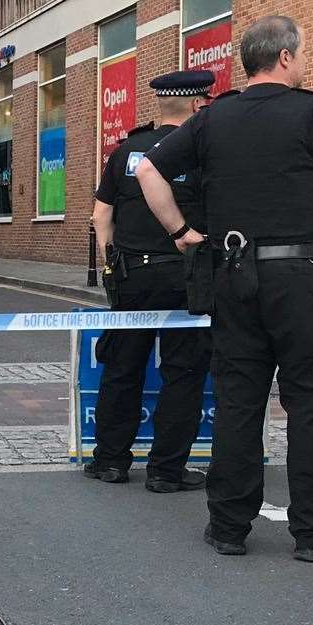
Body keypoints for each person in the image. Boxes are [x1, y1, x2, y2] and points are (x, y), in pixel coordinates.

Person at [136, 15, 313, 562]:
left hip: (233, 271)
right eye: (306, 52)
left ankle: (228, 525)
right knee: (312, 402)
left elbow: (149, 171)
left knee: (239, 400)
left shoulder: (213, 118)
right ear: (288, 58)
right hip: (305, 276)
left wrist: (181, 233)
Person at [85, 69, 215, 491]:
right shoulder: (203, 149)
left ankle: (110, 462)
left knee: (123, 367)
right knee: (184, 372)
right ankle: (165, 471)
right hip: (185, 276)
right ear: (198, 104)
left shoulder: (126, 151)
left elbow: (100, 216)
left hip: (131, 275)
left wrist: (109, 265)